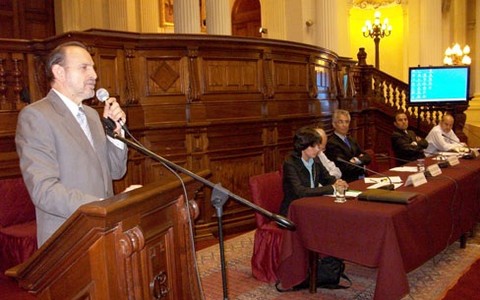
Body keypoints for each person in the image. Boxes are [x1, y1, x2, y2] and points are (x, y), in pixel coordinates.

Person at [15, 41, 128, 246]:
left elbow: (116, 172)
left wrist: (115, 134)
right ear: (59, 71)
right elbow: (44, 191)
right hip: (68, 238)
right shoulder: (37, 116)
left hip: (103, 231)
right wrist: (103, 206)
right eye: (84, 68)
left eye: (93, 67)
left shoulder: (92, 115)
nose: (94, 75)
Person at [280, 127, 348, 216]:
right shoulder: (290, 163)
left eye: (318, 145)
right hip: (294, 210)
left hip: (312, 205)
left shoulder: (315, 160)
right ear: (302, 145)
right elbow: (300, 192)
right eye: (313, 146)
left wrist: (338, 183)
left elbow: (327, 178)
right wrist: (332, 188)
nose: (317, 149)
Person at [325, 109, 371, 183]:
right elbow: (344, 167)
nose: (344, 125)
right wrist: (362, 165)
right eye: (341, 122)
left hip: (363, 177)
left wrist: (355, 160)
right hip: (349, 181)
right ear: (334, 124)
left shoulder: (351, 139)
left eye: (347, 122)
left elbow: (367, 156)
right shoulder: (332, 143)